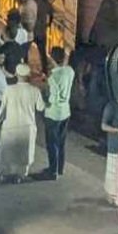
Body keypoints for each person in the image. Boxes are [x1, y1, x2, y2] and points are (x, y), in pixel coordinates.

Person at [0, 64, 46, 183]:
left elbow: (2, 109)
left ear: (16, 74)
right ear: (29, 75)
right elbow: (41, 107)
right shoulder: (35, 90)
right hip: (27, 125)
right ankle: (21, 174)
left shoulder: (9, 89)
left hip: (10, 124)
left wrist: (1, 118)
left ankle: (4, 173)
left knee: (7, 149)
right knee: (25, 151)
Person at [44, 47, 74, 180]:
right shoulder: (70, 71)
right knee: (61, 142)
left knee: (52, 143)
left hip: (53, 113)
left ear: (52, 59)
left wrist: (45, 101)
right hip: (65, 111)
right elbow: (65, 66)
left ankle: (53, 171)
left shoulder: (53, 77)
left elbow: (53, 98)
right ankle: (60, 168)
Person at [101, 98, 118, 205]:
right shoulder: (111, 106)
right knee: (112, 171)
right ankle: (111, 195)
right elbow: (103, 126)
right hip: (114, 144)